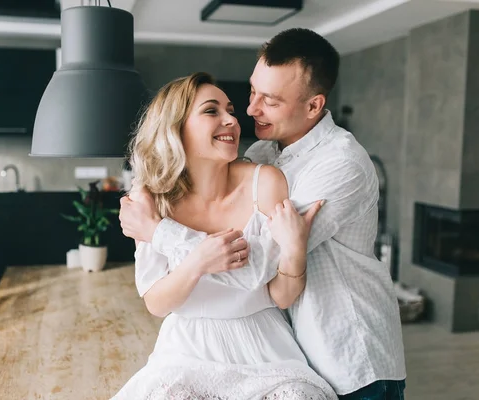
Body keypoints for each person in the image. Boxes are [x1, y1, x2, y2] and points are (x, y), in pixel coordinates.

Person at [119, 28, 407, 400]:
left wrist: (161, 233)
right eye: (253, 92)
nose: (250, 110)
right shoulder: (262, 155)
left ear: (314, 106)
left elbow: (260, 265)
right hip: (284, 347)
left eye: (269, 100)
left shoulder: (341, 164)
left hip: (348, 352)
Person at [111, 72, 337, 399]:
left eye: (230, 110)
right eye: (211, 111)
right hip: (186, 350)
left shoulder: (266, 183)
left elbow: (281, 295)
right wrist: (197, 263)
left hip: (264, 346)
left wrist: (295, 250)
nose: (231, 119)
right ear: (176, 128)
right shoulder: (152, 199)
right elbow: (156, 301)